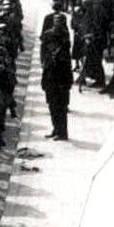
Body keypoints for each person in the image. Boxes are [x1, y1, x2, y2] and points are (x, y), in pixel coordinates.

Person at [40, 11, 73, 141]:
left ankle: (62, 132)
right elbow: (43, 53)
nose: (58, 24)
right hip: (50, 77)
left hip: (62, 79)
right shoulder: (48, 35)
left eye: (60, 22)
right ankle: (55, 129)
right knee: (52, 105)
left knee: (61, 107)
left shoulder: (65, 38)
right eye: (56, 21)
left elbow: (66, 61)